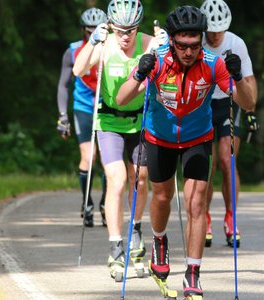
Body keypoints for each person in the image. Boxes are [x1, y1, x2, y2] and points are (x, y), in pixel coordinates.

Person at [116, 6, 255, 298]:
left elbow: (248, 103)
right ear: (173, 42)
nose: (189, 52)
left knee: (195, 203)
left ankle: (193, 273)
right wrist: (139, 73)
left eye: (194, 45)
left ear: (200, 40)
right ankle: (159, 240)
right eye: (182, 46)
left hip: (196, 138)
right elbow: (121, 98)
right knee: (163, 197)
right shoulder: (157, 61)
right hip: (159, 138)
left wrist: (239, 76)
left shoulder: (213, 64)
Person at [72, 0, 160, 281]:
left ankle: (135, 229)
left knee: (142, 177)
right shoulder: (105, 43)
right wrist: (92, 43)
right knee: (118, 179)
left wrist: (165, 45)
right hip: (109, 122)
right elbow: (78, 70)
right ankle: (116, 246)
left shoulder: (148, 43)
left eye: (131, 31)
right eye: (120, 30)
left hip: (139, 121)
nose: (125, 37)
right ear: (111, 26)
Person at [199, 0, 259, 248]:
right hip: (202, 104)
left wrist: (251, 110)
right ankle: (205, 217)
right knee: (207, 165)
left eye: (220, 29)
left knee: (227, 159)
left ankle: (231, 217)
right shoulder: (196, 42)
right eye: (211, 30)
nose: (215, 35)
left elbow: (249, 79)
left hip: (229, 102)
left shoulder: (235, 43)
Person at [57, 7, 108, 228]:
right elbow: (63, 85)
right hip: (84, 107)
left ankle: (107, 203)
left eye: (95, 31)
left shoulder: (113, 47)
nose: (92, 35)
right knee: (89, 157)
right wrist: (62, 116)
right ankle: (87, 203)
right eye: (88, 32)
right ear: (83, 31)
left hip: (107, 106)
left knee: (109, 160)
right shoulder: (73, 51)